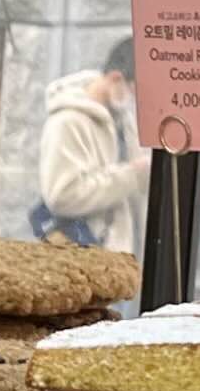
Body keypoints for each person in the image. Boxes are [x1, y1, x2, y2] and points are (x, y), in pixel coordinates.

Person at [33, 36, 148, 255]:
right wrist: (132, 175)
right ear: (116, 79)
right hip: (83, 254)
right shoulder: (67, 121)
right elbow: (62, 195)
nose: (135, 100)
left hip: (121, 254)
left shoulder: (123, 118)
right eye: (135, 91)